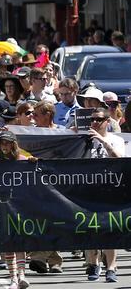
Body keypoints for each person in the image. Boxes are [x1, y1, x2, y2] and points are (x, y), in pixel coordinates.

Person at [0, 131, 34, 289]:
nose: (4, 146)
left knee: (19, 242)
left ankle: (22, 275)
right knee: (8, 244)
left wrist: (32, 161)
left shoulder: (22, 159)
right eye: (2, 143)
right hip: (1, 206)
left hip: (19, 206)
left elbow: (32, 164)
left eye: (7, 143)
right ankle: (13, 278)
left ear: (14, 144)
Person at [83, 108, 124, 283]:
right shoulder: (84, 140)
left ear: (107, 121)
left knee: (109, 228)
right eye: (92, 119)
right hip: (89, 189)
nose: (94, 122)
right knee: (90, 227)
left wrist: (103, 141)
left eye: (99, 119)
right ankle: (93, 263)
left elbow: (120, 160)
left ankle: (111, 267)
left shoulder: (116, 139)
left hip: (110, 189)